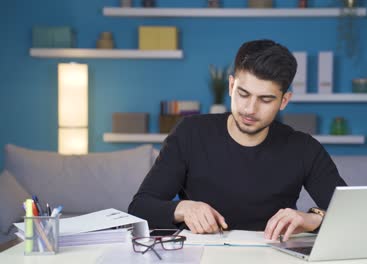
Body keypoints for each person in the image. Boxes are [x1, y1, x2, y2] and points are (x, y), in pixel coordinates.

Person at [128, 39, 346, 242]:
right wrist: (184, 208)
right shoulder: (190, 133)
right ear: (231, 86)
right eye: (243, 94)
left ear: (284, 101)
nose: (250, 109)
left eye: (266, 99)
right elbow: (140, 207)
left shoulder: (304, 148)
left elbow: (354, 215)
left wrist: (313, 220)